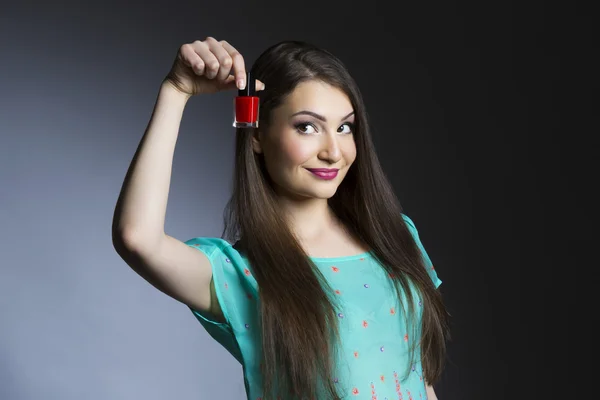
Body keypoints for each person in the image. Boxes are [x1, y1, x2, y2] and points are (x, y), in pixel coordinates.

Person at [112, 36, 451, 400]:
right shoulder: (241, 274)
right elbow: (137, 239)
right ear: (257, 134)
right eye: (307, 127)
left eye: (345, 127)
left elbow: (418, 378)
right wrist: (176, 91)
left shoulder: (395, 234)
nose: (333, 151)